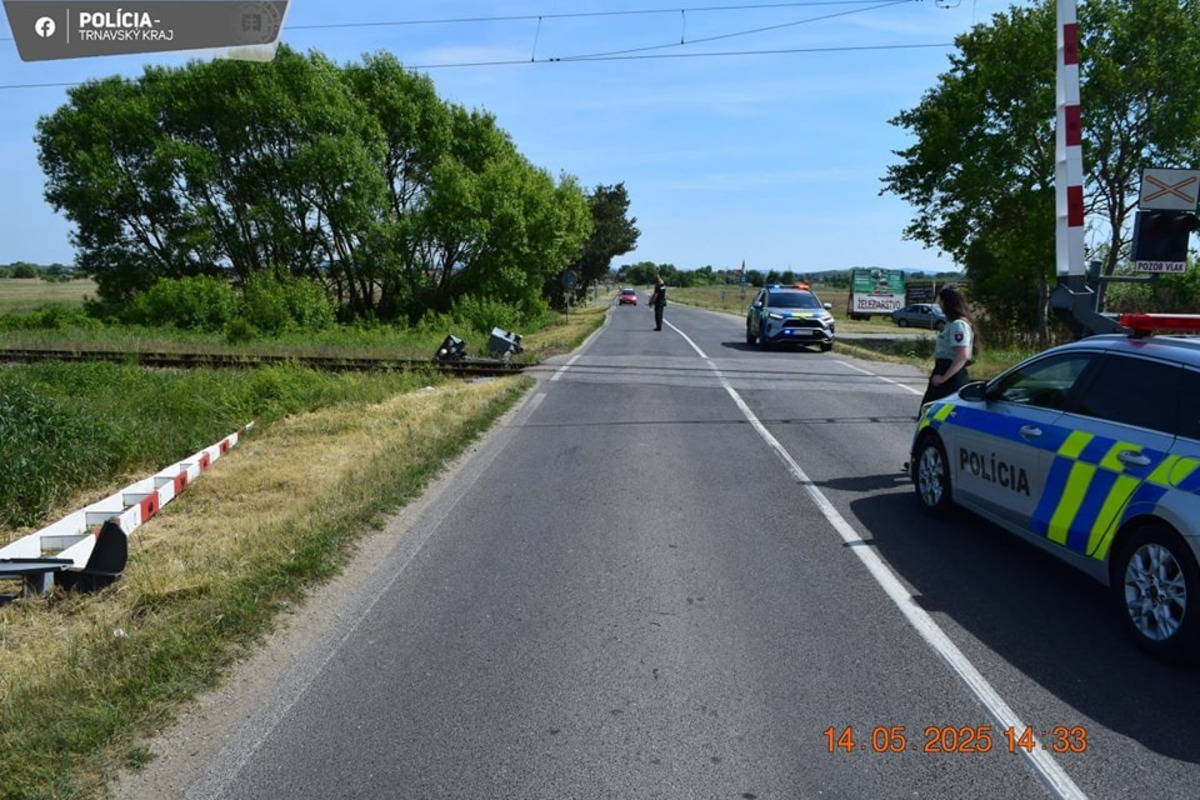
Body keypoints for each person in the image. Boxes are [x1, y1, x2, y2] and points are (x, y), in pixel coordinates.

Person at [920, 286, 975, 407]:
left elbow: (962, 356)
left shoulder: (958, 324)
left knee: (936, 412)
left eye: (940, 301)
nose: (939, 304)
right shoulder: (950, 323)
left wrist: (943, 378)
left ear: (945, 302)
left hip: (951, 375)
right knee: (928, 411)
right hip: (943, 369)